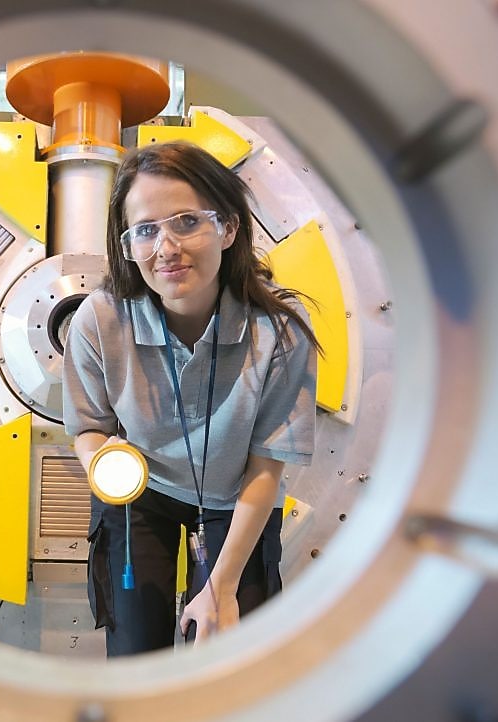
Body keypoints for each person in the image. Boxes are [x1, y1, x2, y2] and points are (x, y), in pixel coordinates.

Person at [62, 141, 321, 656]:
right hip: (141, 491)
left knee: (224, 650)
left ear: (227, 228)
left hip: (236, 495)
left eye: (186, 222)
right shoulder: (100, 318)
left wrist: (221, 587)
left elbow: (265, 466)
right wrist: (103, 463)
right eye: (145, 230)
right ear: (126, 243)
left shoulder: (279, 330)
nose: (166, 248)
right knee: (136, 655)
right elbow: (88, 427)